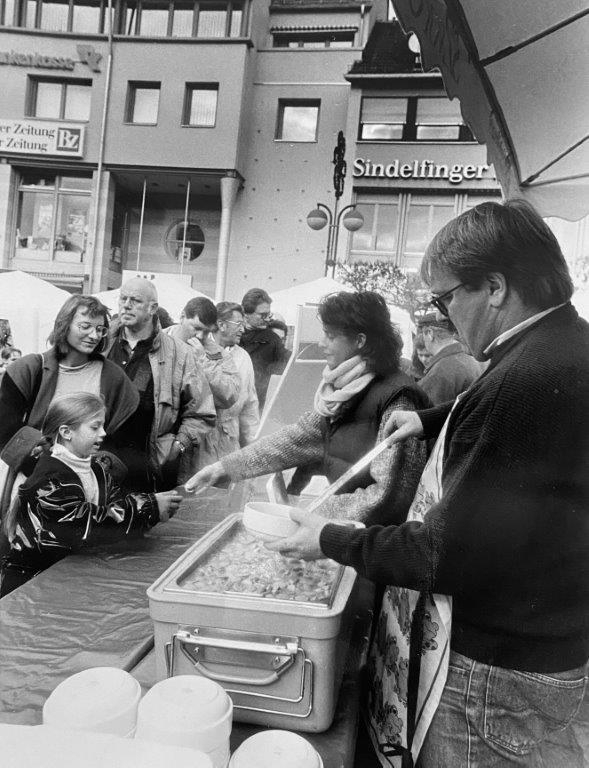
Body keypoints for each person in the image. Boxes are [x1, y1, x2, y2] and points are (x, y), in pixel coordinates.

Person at [267, 200, 589, 767]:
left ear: (494, 286)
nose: (443, 315)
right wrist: (431, 418)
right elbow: (487, 410)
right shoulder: (565, 344)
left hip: (498, 674)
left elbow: (444, 555)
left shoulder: (529, 377)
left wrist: (329, 539)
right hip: (548, 646)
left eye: (445, 299)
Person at [186, 291, 429, 527]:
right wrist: (224, 467)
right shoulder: (345, 392)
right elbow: (294, 439)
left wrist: (309, 515)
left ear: (360, 341)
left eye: (330, 336)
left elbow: (390, 497)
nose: (321, 343)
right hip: (343, 537)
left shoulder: (399, 398)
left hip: (371, 548)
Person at [0, 393, 182, 596]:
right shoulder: (49, 479)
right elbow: (83, 523)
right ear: (66, 432)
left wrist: (152, 512)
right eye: (95, 427)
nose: (103, 433)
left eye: (103, 426)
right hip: (32, 586)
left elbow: (114, 509)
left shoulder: (96, 469)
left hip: (70, 577)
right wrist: (147, 507)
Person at [0, 294, 138, 489]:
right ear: (64, 324)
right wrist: (41, 468)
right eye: (85, 326)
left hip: (87, 482)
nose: (94, 335)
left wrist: (101, 470)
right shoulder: (28, 368)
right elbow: (5, 430)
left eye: (100, 329)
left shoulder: (114, 377)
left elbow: (124, 438)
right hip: (31, 479)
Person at [105, 278, 216, 491]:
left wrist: (176, 447)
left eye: (135, 300)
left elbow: (202, 413)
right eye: (123, 298)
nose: (126, 305)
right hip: (95, 459)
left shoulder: (179, 354)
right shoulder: (102, 342)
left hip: (146, 470)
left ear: (153, 308)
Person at [199, 301, 259, 464]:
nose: (243, 329)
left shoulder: (243, 358)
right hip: (201, 443)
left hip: (230, 443)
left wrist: (254, 446)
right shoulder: (199, 350)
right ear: (221, 324)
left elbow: (249, 407)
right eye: (239, 324)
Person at [165, 297, 240, 416]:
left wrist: (203, 361)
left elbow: (229, 396)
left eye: (206, 331)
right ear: (182, 317)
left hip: (196, 428)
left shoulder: (218, 354)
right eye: (197, 328)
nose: (200, 336)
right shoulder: (157, 341)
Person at [417, 312, 484, 404]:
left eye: (422, 334)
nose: (423, 340)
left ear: (429, 333)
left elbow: (428, 415)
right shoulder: (476, 358)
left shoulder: (440, 371)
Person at [239, 288, 287, 411]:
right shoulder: (231, 336)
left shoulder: (273, 339)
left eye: (268, 314)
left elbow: (286, 364)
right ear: (245, 313)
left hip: (255, 406)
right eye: (262, 315)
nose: (267, 319)